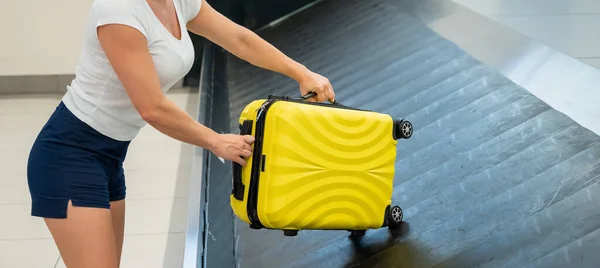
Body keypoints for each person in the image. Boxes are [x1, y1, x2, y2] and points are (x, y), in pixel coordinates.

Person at [26, 0, 335, 266]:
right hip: (67, 156)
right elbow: (152, 108)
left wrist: (301, 72)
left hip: (109, 157)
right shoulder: (118, 10)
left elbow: (239, 39)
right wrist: (216, 140)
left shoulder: (179, 2)